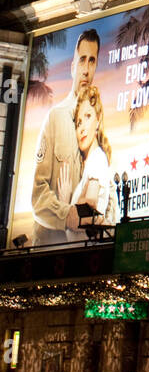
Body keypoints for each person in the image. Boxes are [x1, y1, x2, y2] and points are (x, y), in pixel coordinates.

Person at [31, 30, 100, 246]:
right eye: (82, 60)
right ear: (72, 67)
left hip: (84, 250)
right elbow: (38, 193)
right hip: (48, 250)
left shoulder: (97, 127)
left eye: (92, 61)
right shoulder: (55, 118)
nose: (86, 70)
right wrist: (66, 214)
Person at [59, 84, 116, 242]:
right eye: (78, 123)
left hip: (88, 254)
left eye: (88, 117)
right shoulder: (91, 163)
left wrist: (65, 206)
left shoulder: (97, 159)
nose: (82, 128)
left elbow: (89, 217)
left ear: (98, 121)